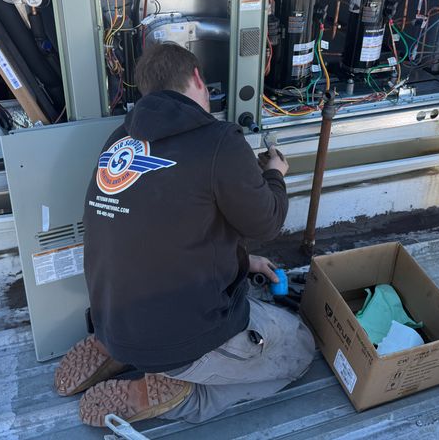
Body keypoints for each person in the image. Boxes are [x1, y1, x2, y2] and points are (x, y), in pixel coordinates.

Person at [53, 43, 316, 427]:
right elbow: (266, 223)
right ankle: (185, 394)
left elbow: (170, 235)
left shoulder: (118, 140)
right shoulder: (219, 141)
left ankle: (119, 350)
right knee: (300, 352)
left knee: (150, 325)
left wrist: (245, 263)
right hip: (182, 338)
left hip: (113, 318)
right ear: (197, 78)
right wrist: (274, 174)